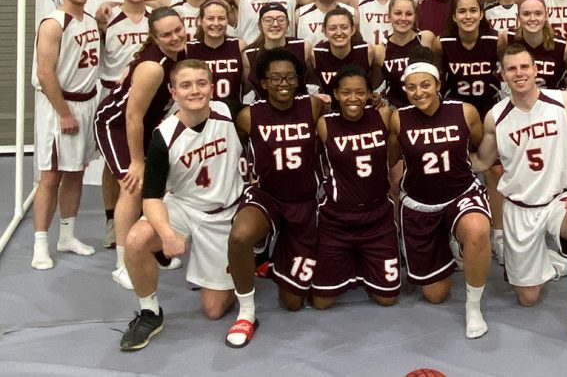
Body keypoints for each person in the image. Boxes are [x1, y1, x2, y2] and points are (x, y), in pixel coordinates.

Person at [472, 43, 567, 358]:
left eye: (524, 67)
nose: (519, 74)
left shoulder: (565, 102)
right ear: (502, 75)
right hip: (520, 209)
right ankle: (553, 263)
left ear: (535, 70)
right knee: (528, 298)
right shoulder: (496, 117)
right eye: (511, 69)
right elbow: (482, 161)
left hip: (560, 200)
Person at [119, 60, 241, 351]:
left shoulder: (231, 113)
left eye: (201, 83)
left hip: (223, 215)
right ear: (173, 93)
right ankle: (150, 312)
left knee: (213, 310)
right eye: (185, 85)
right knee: (136, 239)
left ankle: (245, 257)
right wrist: (167, 233)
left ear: (212, 87)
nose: (195, 90)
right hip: (184, 207)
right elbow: (151, 198)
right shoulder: (163, 135)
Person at [225, 48, 325, 348]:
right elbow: (233, 151)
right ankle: (246, 312)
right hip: (266, 196)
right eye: (275, 77)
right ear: (263, 83)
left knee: (293, 302)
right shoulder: (248, 115)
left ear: (299, 81)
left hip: (305, 202)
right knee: (241, 236)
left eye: (290, 77)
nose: (283, 83)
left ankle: (273, 258)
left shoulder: (314, 107)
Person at [388, 52, 492, 339]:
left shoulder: (465, 111)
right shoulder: (398, 119)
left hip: (460, 192)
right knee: (435, 295)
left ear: (437, 84)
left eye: (425, 85)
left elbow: (478, 144)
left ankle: (473, 307)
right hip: (421, 204)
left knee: (477, 229)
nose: (418, 92)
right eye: (411, 87)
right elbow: (391, 158)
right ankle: (452, 248)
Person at [94, 7, 187, 288]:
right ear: (154, 38)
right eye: (166, 34)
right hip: (116, 124)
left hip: (147, 125)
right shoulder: (153, 67)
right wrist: (137, 161)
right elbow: (132, 116)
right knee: (133, 187)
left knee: (158, 186)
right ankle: (124, 263)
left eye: (178, 30)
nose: (174, 37)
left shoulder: (182, 53)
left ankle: (154, 248)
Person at [311, 65, 400, 308]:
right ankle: (350, 260)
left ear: (370, 94)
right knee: (321, 302)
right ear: (337, 94)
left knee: (387, 298)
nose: (353, 98)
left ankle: (362, 261)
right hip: (337, 218)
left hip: (377, 216)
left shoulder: (382, 116)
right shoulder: (324, 124)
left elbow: (393, 154)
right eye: (346, 92)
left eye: (360, 92)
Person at [31, 0, 100, 270]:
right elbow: (45, 74)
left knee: (76, 172)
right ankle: (40, 243)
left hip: (86, 104)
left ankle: (67, 236)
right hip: (60, 106)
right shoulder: (54, 22)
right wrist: (63, 113)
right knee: (50, 176)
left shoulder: (91, 20)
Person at [432, 0, 507, 265]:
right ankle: (454, 232)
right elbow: (439, 82)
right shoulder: (443, 43)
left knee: (495, 170)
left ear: (481, 13)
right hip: (457, 115)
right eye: (462, 11)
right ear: (454, 16)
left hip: (487, 113)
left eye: (473, 10)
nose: (468, 15)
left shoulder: (495, 40)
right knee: (455, 172)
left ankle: (498, 235)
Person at [97, 0, 151, 249]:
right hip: (113, 94)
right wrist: (106, 4)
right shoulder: (107, 18)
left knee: (144, 159)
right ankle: (111, 220)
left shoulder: (154, 18)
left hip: (145, 95)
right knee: (113, 163)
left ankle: (143, 219)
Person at [373, 0, 434, 200]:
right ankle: (398, 227)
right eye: (398, 13)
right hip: (396, 111)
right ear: (389, 16)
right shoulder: (380, 50)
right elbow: (374, 83)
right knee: (396, 180)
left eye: (408, 13)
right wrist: (375, 98)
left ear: (415, 16)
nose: (403, 18)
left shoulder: (425, 39)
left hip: (425, 109)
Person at [243, 2, 312, 100]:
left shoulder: (304, 47)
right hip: (264, 110)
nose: (275, 24)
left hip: (299, 108)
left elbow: (314, 83)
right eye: (268, 20)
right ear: (260, 25)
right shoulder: (249, 55)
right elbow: (246, 89)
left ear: (288, 24)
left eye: (281, 20)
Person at [310, 7, 378, 105]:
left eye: (344, 27)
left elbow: (375, 76)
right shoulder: (317, 53)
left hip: (359, 106)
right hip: (330, 109)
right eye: (333, 28)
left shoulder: (366, 50)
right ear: (324, 31)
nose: (339, 33)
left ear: (353, 30)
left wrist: (371, 93)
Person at [186, 0, 247, 104]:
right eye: (210, 18)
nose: (216, 23)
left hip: (233, 112)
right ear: (200, 20)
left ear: (227, 20)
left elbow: (247, 82)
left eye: (221, 18)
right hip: (199, 112)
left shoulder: (238, 45)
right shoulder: (188, 49)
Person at [513, 0, 567, 90]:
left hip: (552, 102)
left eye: (538, 14)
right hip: (520, 101)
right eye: (526, 14)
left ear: (546, 16)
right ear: (518, 17)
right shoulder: (509, 39)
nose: (532, 19)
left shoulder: (562, 46)